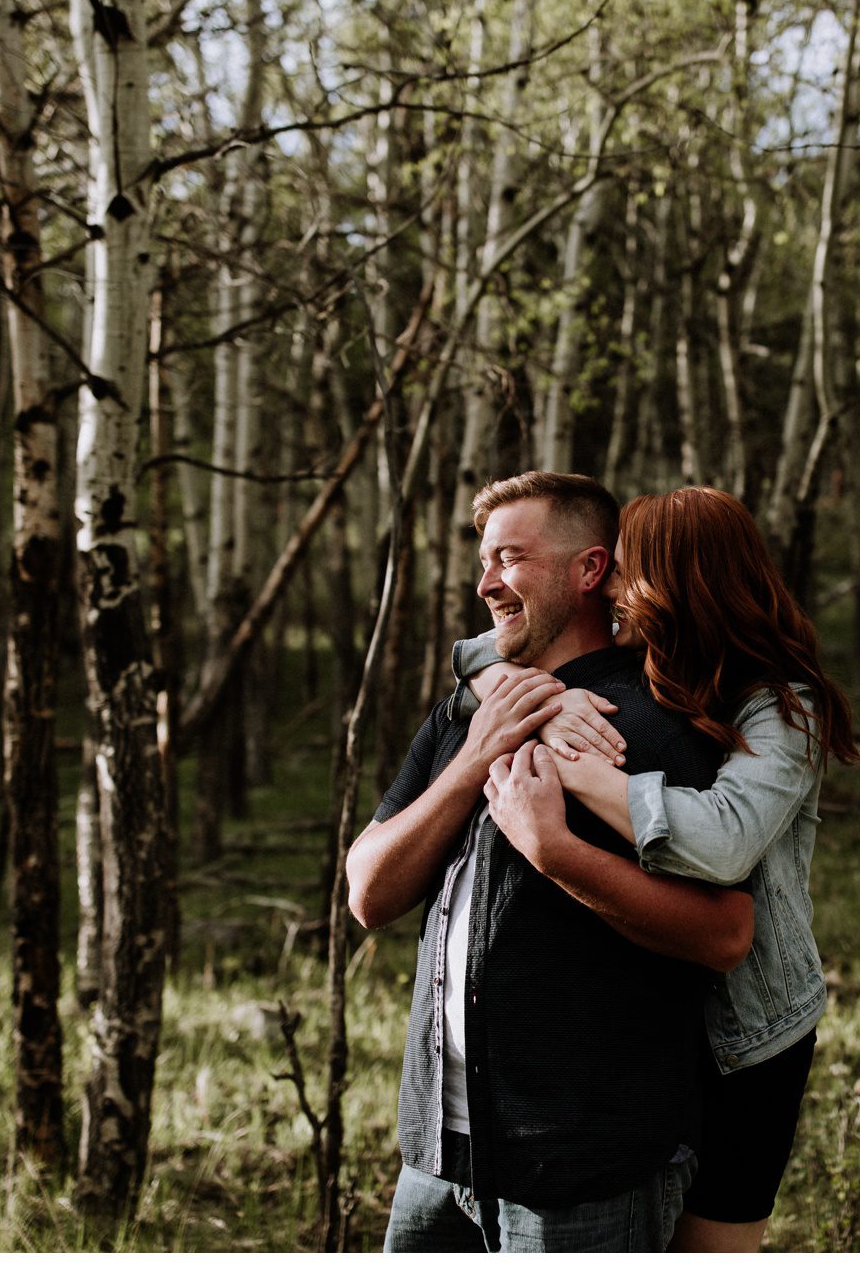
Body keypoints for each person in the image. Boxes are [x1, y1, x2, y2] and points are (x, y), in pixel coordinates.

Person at [345, 471, 754, 1253]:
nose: (486, 584)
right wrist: (476, 757)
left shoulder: (649, 725)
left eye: (510, 558)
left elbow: (725, 934)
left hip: (587, 1166)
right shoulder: (468, 712)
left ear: (590, 569)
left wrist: (555, 854)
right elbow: (368, 891)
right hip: (438, 1154)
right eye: (484, 561)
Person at [460, 485, 860, 1252]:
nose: (608, 587)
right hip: (644, 1030)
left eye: (624, 571)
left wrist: (576, 771)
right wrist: (533, 697)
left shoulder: (783, 707)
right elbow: (481, 648)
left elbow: (723, 842)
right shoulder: (647, 666)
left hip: (747, 1040)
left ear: (676, 581)